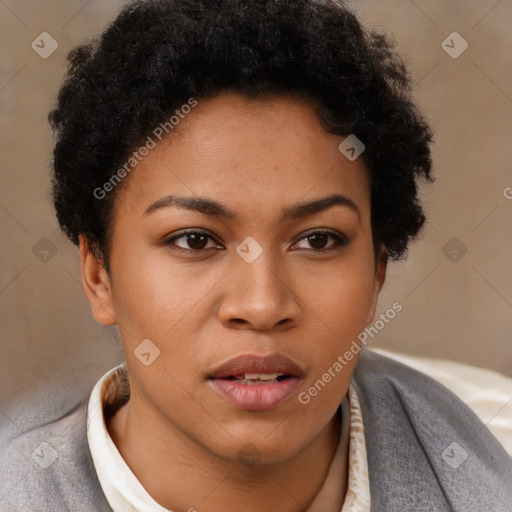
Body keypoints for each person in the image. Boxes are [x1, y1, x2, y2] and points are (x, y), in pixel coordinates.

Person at [1, 0, 511, 511]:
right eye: (194, 240)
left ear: (378, 272)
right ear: (99, 276)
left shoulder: (495, 454)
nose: (263, 305)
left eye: (318, 240)